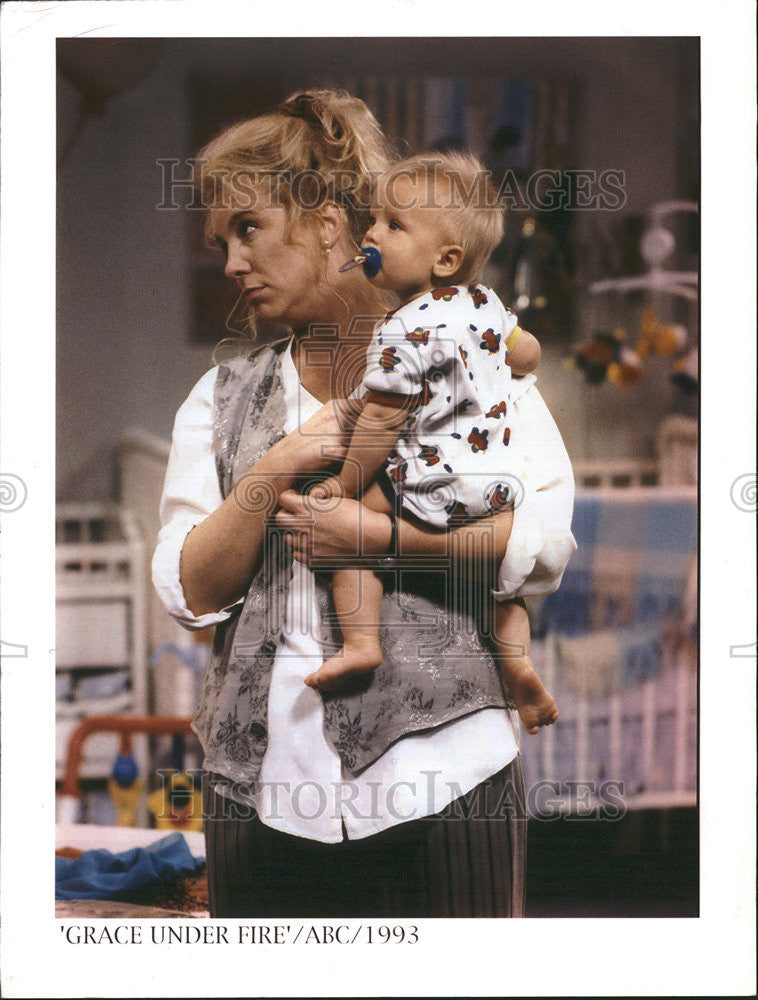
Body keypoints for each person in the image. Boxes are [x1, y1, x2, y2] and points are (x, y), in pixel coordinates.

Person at [152, 89, 576, 918]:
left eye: (248, 229)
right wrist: (278, 463)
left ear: (328, 225)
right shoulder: (219, 398)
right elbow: (189, 590)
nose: (231, 262)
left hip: (442, 776)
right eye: (220, 241)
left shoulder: (468, 358)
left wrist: (381, 544)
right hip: (261, 795)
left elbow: (542, 536)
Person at [303, 151, 559, 736]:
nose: (371, 232)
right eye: (373, 220)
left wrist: (344, 485)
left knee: (347, 538)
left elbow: (379, 426)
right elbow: (529, 354)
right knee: (499, 587)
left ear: (445, 259)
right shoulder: (487, 304)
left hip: (429, 485)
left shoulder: (399, 330)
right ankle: (517, 663)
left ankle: (361, 642)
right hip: (496, 486)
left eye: (394, 225)